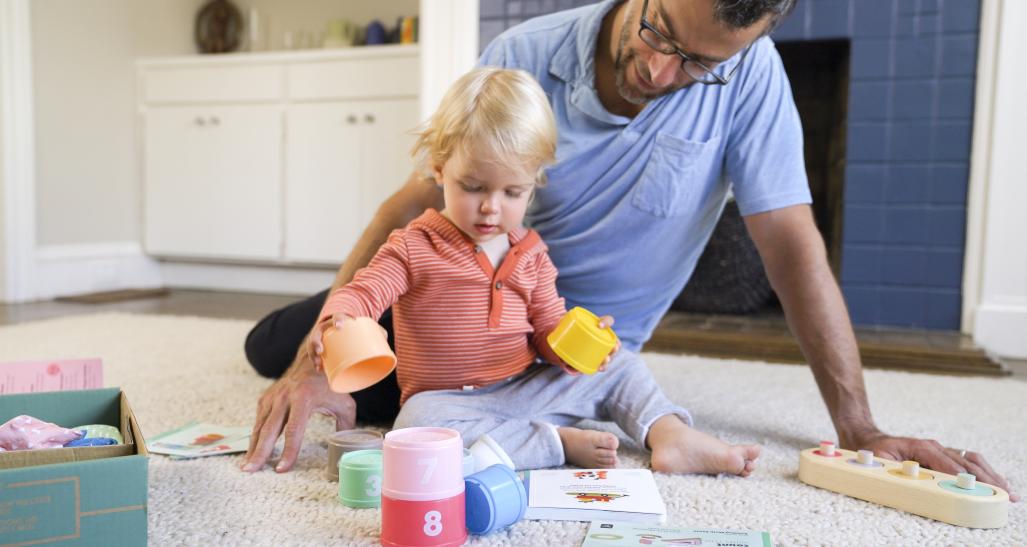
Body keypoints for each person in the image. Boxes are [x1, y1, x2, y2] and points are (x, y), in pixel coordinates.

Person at [241, 0, 1015, 500]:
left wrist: (861, 427)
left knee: (609, 372)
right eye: (659, 34)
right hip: (447, 300)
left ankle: (654, 431)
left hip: (561, 344)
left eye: (698, 64)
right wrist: (315, 362)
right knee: (281, 347)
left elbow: (791, 248)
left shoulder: (749, 83)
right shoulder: (525, 57)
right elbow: (410, 206)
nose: (658, 70)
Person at [301, 67, 758, 472]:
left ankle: (668, 434)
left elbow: (547, 331)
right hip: (447, 403)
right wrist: (338, 317)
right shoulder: (414, 245)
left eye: (512, 193)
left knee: (623, 367)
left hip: (524, 389)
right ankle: (552, 443)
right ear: (439, 169)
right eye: (473, 186)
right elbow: (366, 291)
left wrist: (574, 346)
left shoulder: (532, 253)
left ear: (533, 185)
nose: (490, 208)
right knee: (417, 426)